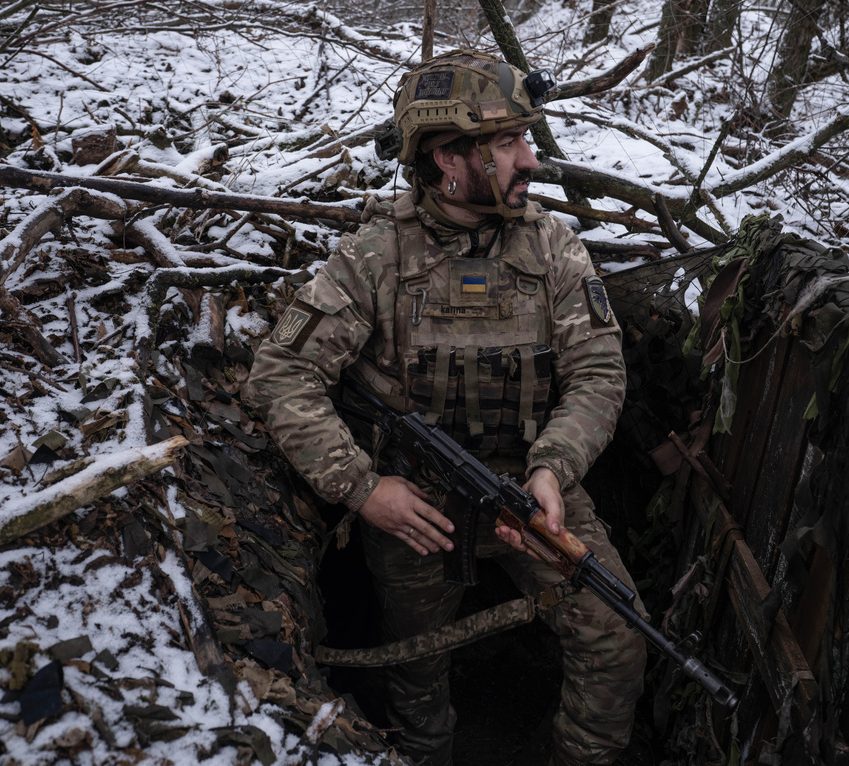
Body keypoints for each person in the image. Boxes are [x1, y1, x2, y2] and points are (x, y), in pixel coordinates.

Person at [245, 49, 646, 766]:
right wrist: (363, 490)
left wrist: (554, 468)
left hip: (532, 494)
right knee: (413, 669)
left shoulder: (553, 247)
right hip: (416, 508)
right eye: (508, 142)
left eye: (527, 137)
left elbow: (598, 371)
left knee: (617, 635)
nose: (530, 158)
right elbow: (282, 373)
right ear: (446, 159)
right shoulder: (376, 256)